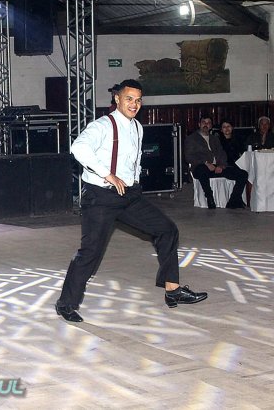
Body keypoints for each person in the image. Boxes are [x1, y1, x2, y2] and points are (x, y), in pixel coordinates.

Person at [55, 79, 207, 323]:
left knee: (167, 230)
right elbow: (78, 148)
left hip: (129, 195)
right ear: (117, 99)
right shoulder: (102, 125)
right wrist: (108, 174)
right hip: (101, 197)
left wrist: (133, 183)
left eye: (138, 100)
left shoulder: (137, 127)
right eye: (129, 99)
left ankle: (172, 290)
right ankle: (66, 304)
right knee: (91, 253)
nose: (134, 104)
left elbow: (133, 160)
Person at [185, 115, 248, 209]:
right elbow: (188, 157)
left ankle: (233, 200)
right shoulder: (191, 138)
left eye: (208, 123)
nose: (206, 125)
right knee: (202, 170)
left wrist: (221, 165)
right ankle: (209, 197)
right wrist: (206, 163)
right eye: (203, 122)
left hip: (216, 167)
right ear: (199, 124)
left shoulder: (215, 139)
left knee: (243, 174)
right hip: (201, 166)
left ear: (211, 126)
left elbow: (222, 154)